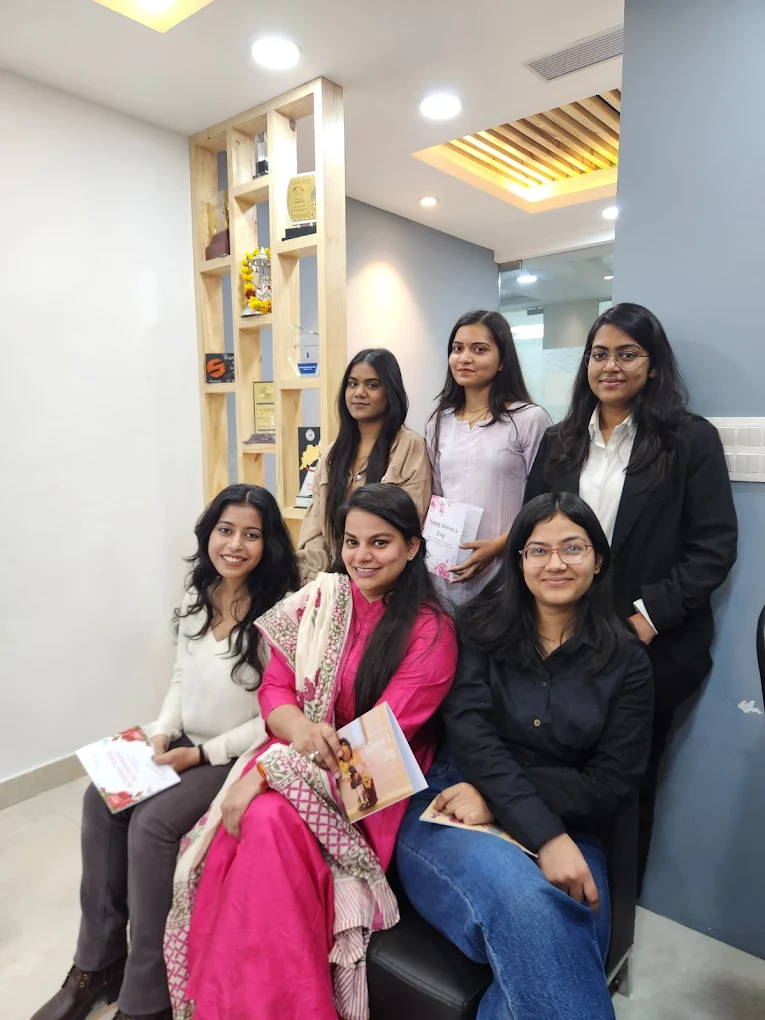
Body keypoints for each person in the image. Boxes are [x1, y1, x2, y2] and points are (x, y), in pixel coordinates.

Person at [169, 485, 457, 1020]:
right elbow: (274, 689)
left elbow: (379, 744)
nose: (361, 556)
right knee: (248, 825)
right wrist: (300, 729)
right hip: (295, 753)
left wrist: (264, 774)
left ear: (412, 547)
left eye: (380, 542)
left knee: (265, 819)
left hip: (369, 784)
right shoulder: (321, 599)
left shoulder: (431, 633)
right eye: (351, 541)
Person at [31, 485, 299, 1020]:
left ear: (269, 543)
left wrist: (200, 755)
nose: (235, 545)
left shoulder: (283, 613)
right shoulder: (200, 590)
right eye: (225, 530)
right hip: (182, 738)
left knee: (151, 825)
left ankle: (147, 994)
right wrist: (162, 731)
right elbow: (181, 675)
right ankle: (97, 963)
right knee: (99, 798)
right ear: (209, 533)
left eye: (251, 534)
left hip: (231, 756)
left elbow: (273, 716)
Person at [396, 492, 654, 1020]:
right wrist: (543, 834)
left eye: (572, 548)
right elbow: (470, 734)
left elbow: (613, 781)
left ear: (597, 559)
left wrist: (503, 804)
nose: (555, 563)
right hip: (452, 803)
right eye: (538, 550)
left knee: (567, 926)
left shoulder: (627, 661)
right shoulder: (479, 628)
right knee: (531, 906)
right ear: (518, 560)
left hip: (556, 815)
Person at [524, 302, 737, 888]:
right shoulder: (560, 440)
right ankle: (546, 904)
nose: (610, 366)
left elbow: (713, 548)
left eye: (627, 354)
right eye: (599, 354)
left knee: (624, 792)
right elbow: (532, 530)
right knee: (552, 774)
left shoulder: (689, 440)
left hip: (646, 648)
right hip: (560, 643)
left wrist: (645, 621)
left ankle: (613, 922)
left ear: (654, 363)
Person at [427, 309, 549, 604]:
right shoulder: (439, 422)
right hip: (447, 570)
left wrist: (498, 546)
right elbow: (437, 497)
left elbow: (544, 501)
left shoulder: (528, 419)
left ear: (502, 360)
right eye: (458, 348)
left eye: (479, 349)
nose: (464, 358)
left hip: (507, 566)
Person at [297, 348, 431, 582]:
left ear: (390, 392)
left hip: (388, 580)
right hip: (335, 581)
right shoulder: (331, 454)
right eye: (352, 384)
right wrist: (313, 580)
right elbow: (315, 529)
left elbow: (410, 522)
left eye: (371, 385)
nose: (359, 393)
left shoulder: (408, 446)